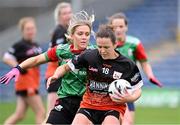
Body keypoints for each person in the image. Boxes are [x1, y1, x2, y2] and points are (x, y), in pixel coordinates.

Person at [0, 11, 95, 124]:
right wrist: (18, 68)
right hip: (65, 101)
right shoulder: (61, 50)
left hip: (86, 103)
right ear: (72, 35)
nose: (84, 37)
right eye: (80, 34)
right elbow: (37, 59)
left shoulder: (95, 52)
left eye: (87, 34)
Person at [47, 25, 143, 125]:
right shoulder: (89, 55)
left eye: (106, 47)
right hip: (88, 105)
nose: (102, 51)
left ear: (115, 44)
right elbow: (66, 67)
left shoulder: (127, 64)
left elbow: (138, 89)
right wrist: (56, 75)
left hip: (112, 108)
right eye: (99, 47)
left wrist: (129, 98)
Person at [108, 12, 163, 125]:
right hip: (109, 89)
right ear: (111, 28)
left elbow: (144, 62)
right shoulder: (106, 45)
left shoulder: (134, 43)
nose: (118, 29)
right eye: (115, 27)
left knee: (128, 123)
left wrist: (150, 76)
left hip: (128, 89)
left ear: (126, 27)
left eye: (121, 26)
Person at [1, 17, 45, 124]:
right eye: (28, 29)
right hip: (25, 83)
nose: (31, 31)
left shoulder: (36, 45)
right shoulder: (20, 45)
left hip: (33, 82)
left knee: (19, 115)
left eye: (32, 28)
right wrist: (18, 67)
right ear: (23, 30)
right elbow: (6, 57)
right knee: (41, 112)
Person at [45, 2, 73, 116]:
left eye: (69, 12)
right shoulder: (60, 31)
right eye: (65, 13)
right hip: (55, 75)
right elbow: (58, 54)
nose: (68, 15)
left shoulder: (65, 30)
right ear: (59, 16)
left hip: (60, 74)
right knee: (51, 114)